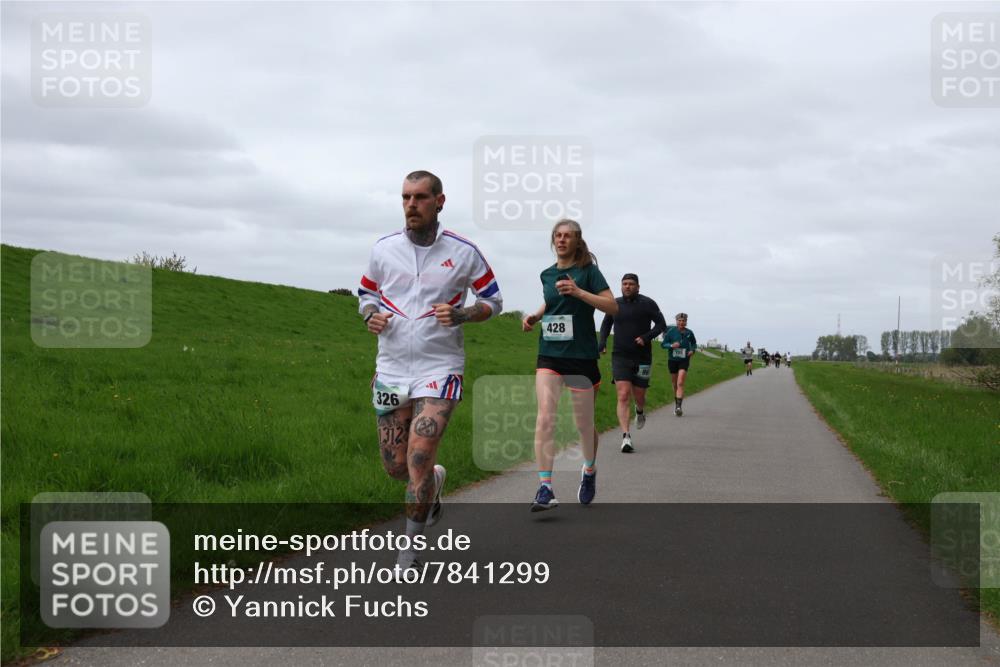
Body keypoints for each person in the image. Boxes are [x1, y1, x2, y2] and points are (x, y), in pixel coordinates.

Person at [358, 170, 503, 570]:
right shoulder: (383, 249)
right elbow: (366, 293)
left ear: (439, 201)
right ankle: (434, 484)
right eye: (405, 197)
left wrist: (462, 314)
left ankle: (408, 553)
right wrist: (370, 314)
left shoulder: (465, 251)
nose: (411, 205)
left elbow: (494, 300)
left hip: (440, 366)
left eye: (420, 197)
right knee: (395, 466)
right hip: (390, 367)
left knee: (418, 456)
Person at [522, 219, 617, 510]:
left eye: (568, 236)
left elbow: (612, 306)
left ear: (577, 241)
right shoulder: (547, 274)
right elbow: (553, 302)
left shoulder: (589, 272)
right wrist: (537, 316)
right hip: (549, 353)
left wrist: (579, 292)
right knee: (545, 417)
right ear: (553, 240)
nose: (562, 240)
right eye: (558, 236)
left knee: (583, 424)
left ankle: (589, 470)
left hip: (581, 356)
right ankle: (545, 488)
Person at [598, 274, 666, 453]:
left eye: (631, 284)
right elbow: (606, 325)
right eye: (624, 284)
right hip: (620, 355)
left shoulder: (648, 304)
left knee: (639, 395)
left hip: (643, 357)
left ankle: (640, 410)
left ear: (638, 287)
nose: (627, 286)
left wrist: (646, 337)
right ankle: (626, 437)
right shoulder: (615, 304)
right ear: (621, 286)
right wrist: (602, 342)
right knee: (623, 395)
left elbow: (661, 325)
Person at [661, 313, 697, 416]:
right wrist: (671, 345)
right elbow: (663, 344)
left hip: (684, 360)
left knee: (680, 382)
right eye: (679, 320)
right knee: (675, 384)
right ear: (677, 321)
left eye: (683, 321)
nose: (681, 322)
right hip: (672, 360)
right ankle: (676, 403)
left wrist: (692, 350)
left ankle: (678, 407)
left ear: (686, 322)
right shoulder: (671, 332)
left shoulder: (689, 332)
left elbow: (694, 344)